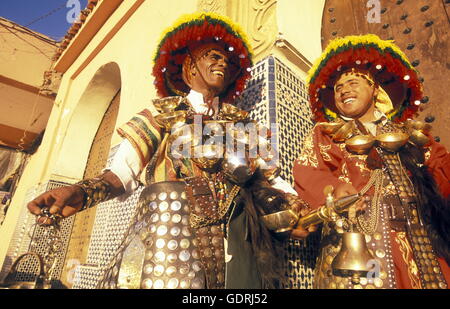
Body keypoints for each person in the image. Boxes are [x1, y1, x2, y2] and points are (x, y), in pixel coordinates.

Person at [27, 12, 310, 289]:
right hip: (171, 237)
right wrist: (81, 192)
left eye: (226, 60)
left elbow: (270, 180)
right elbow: (121, 173)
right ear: (189, 66)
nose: (222, 62)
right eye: (213, 55)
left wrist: (297, 210)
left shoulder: (244, 126)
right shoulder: (159, 116)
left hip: (239, 241)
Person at [293, 34, 450, 289]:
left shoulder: (410, 137)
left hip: (418, 241)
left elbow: (442, 173)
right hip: (358, 239)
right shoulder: (326, 134)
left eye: (353, 82)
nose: (344, 90)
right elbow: (309, 172)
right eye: (338, 88)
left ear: (375, 88)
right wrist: (333, 191)